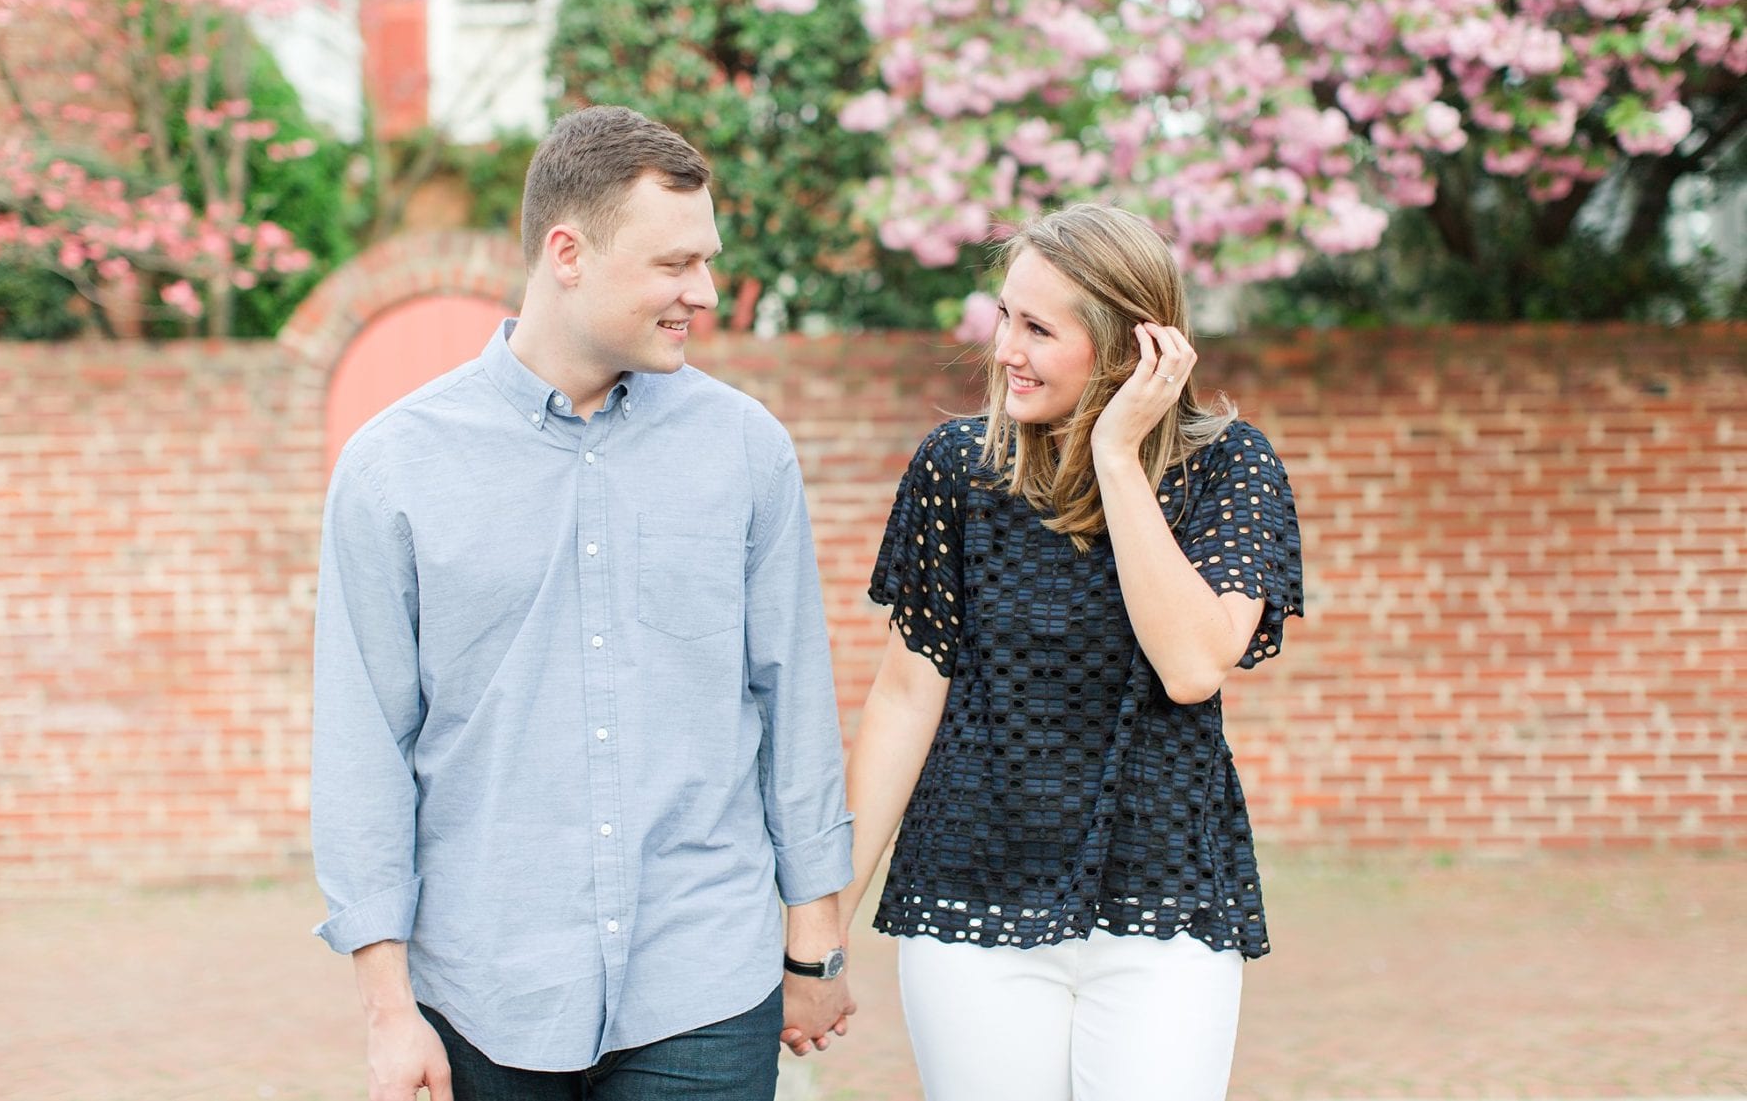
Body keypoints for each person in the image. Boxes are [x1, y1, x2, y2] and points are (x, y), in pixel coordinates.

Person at [310, 105, 854, 1101]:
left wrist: (813, 943)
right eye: (674, 264)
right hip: (482, 992)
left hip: (704, 982)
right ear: (567, 251)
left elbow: (795, 701)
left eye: (707, 260)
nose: (706, 291)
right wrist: (389, 1009)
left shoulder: (744, 450)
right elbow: (363, 746)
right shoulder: (394, 467)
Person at [840, 204, 1303, 1101]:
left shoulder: (1231, 470)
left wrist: (1118, 456)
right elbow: (904, 697)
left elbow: (1192, 663)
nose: (1005, 347)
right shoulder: (956, 470)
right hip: (971, 890)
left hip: (1162, 899)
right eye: (1005, 315)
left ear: (1131, 349)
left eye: (1039, 328)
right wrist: (822, 930)